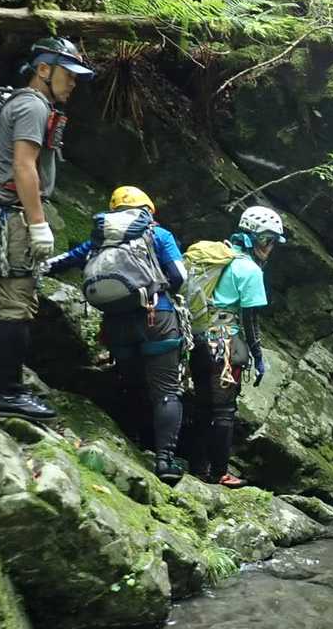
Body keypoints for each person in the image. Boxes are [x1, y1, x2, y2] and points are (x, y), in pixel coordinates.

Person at [0, 37, 94, 422]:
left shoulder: (19, 102)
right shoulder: (33, 106)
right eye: (67, 74)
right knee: (16, 303)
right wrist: (38, 223)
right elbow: (24, 166)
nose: (73, 83)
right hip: (15, 218)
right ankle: (8, 392)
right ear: (43, 69)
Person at [42, 186, 188, 482]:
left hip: (116, 323)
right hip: (155, 316)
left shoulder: (99, 239)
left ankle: (131, 440)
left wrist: (32, 270)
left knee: (131, 383)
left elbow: (61, 261)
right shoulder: (158, 234)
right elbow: (179, 277)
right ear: (147, 210)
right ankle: (165, 461)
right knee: (165, 391)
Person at [182, 206, 285, 487]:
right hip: (224, 344)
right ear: (254, 238)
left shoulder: (220, 256)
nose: (270, 247)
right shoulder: (249, 270)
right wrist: (258, 355)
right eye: (267, 240)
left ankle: (198, 467)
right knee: (224, 411)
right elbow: (250, 320)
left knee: (203, 406)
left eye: (272, 241)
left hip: (197, 339)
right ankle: (219, 472)